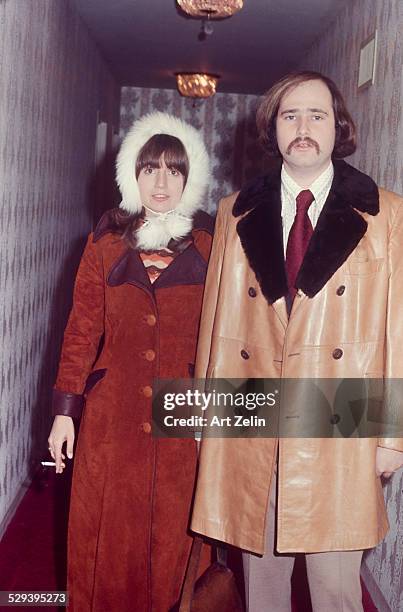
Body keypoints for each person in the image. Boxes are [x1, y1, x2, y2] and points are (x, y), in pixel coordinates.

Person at [190, 71, 403, 611]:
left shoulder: (386, 214)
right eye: (290, 115)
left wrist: (391, 438)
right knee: (261, 586)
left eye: (317, 115)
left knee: (334, 590)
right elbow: (214, 322)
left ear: (339, 128)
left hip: (341, 419)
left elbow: (397, 329)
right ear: (273, 128)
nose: (303, 127)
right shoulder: (234, 210)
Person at [48, 111, 213, 612]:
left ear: (191, 178)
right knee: (107, 534)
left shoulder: (214, 245)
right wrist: (64, 412)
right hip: (111, 412)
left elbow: (230, 333)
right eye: (149, 169)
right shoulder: (102, 245)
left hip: (185, 412)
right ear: (131, 175)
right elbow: (81, 330)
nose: (161, 182)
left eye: (174, 170)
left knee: (173, 535)